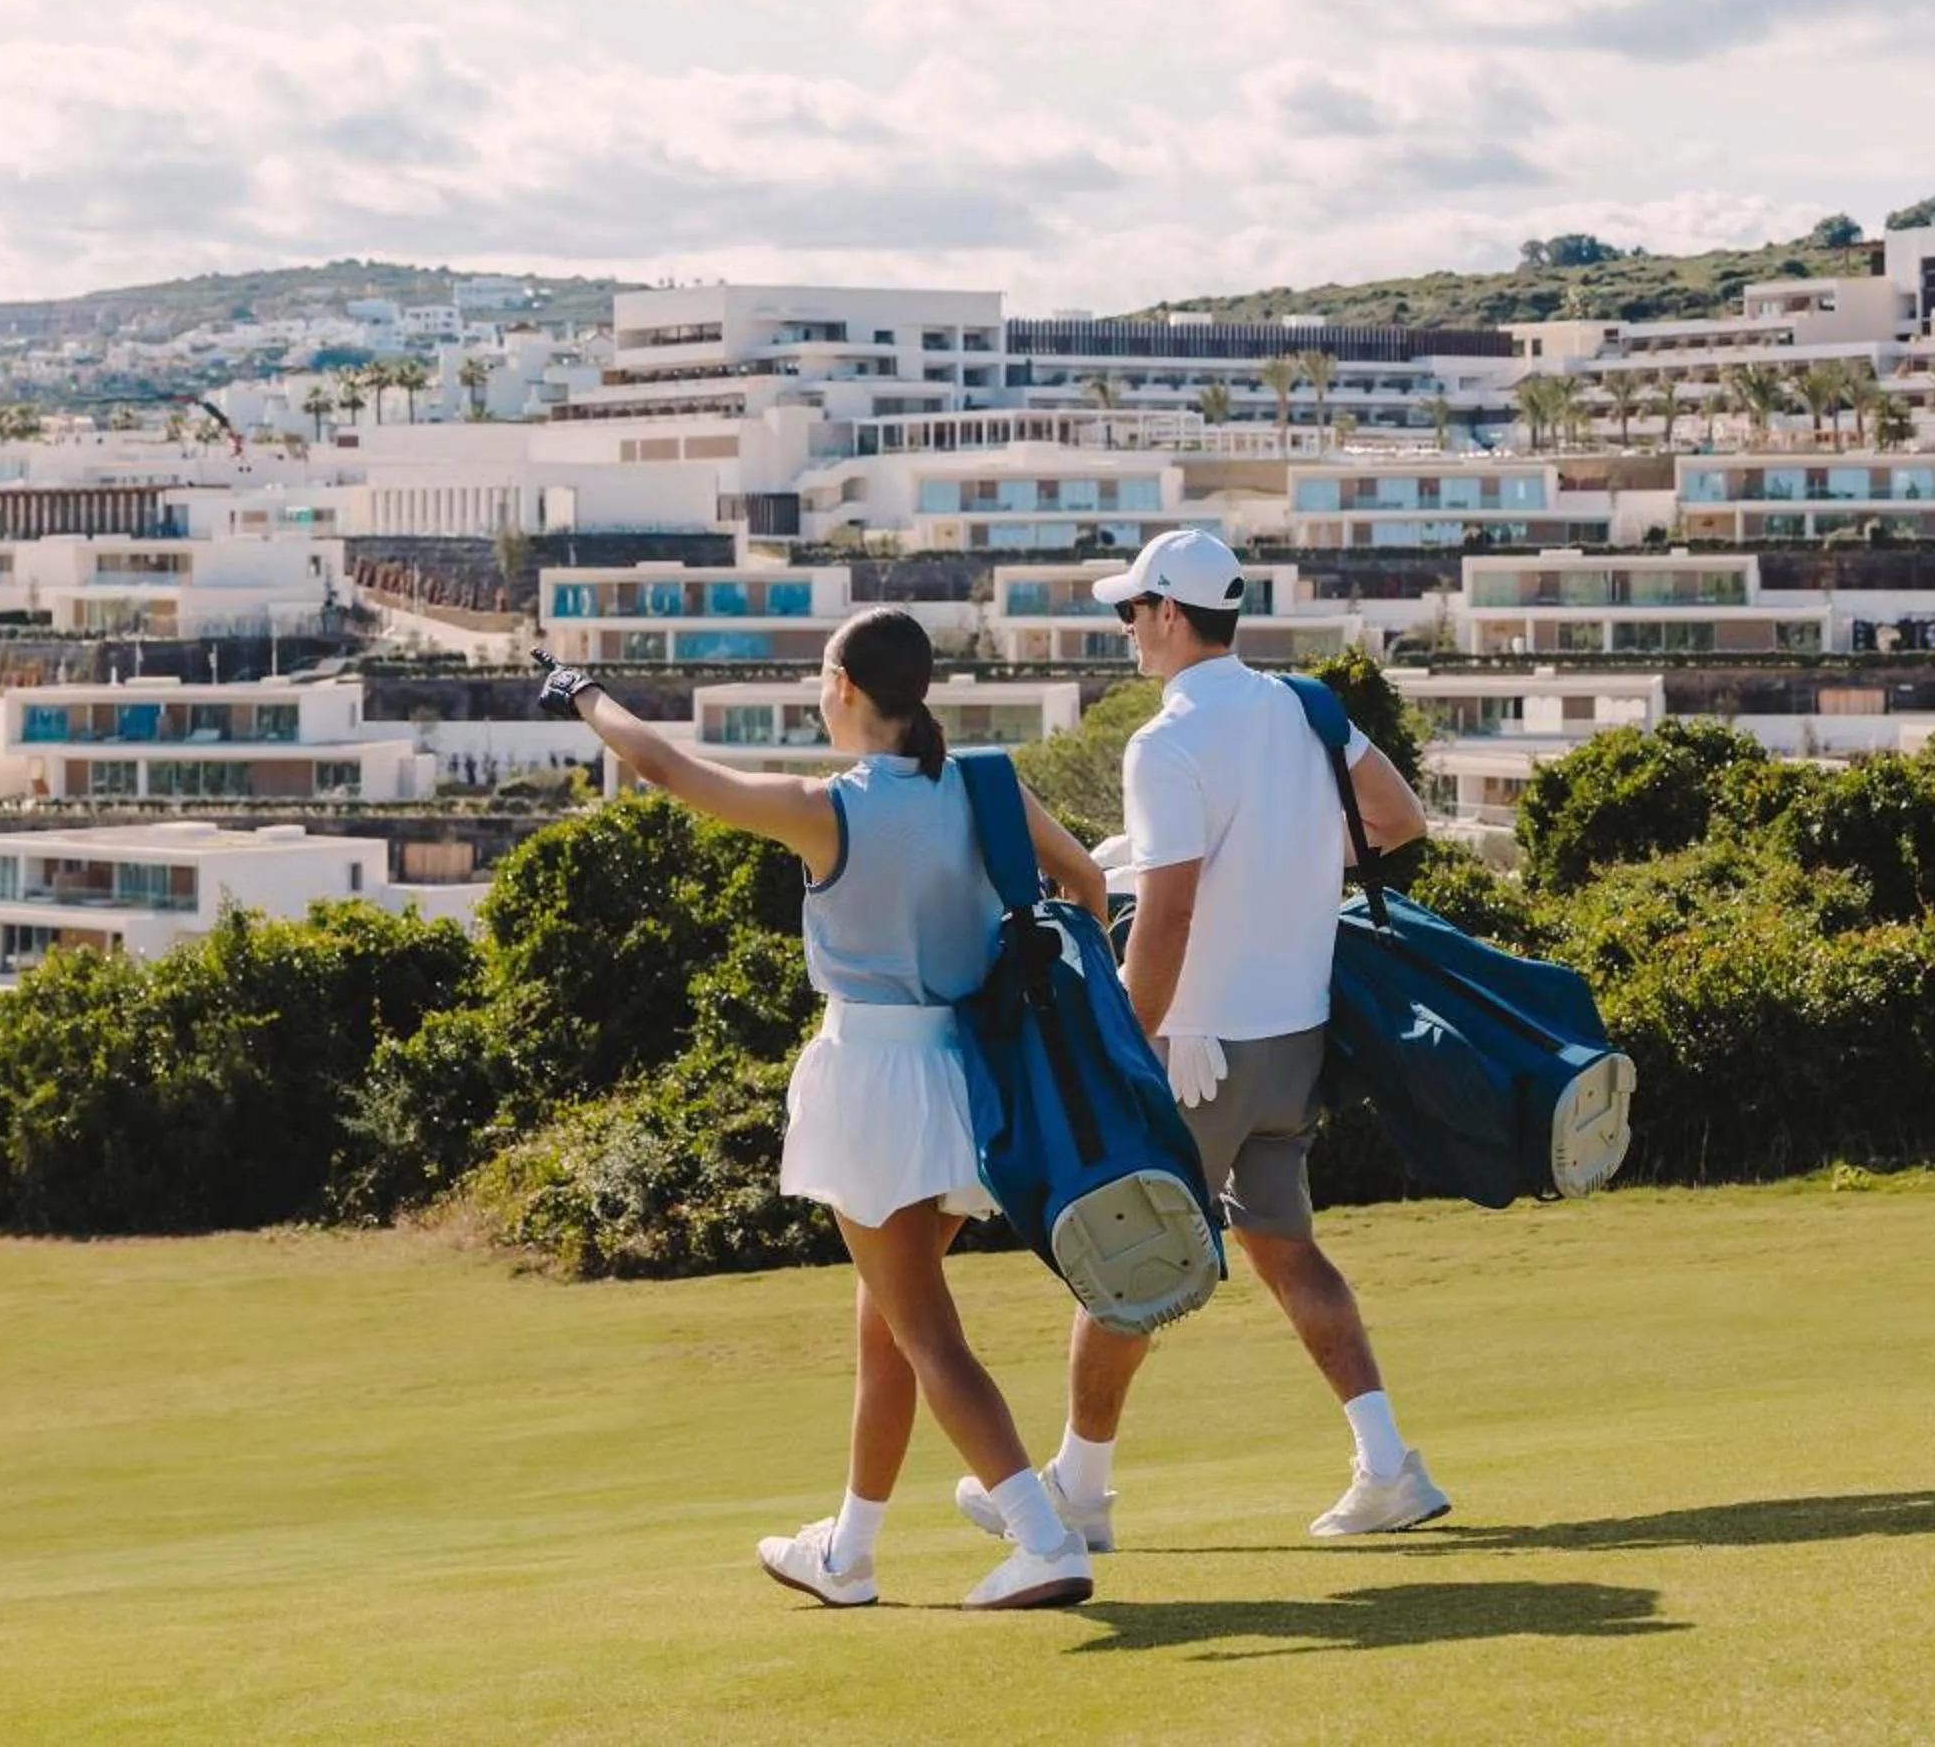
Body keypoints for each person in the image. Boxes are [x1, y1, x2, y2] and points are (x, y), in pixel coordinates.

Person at [538, 608, 1111, 1612]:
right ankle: (849, 1551)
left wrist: (585, 695)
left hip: (875, 1080)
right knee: (886, 1326)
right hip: (968, 1076)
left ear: (845, 686)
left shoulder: (831, 808)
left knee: (923, 1328)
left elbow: (673, 774)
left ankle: (1042, 1534)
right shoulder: (985, 783)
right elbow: (1090, 885)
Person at [955, 528, 1445, 1553]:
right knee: (1282, 1245)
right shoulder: (1303, 708)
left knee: (1122, 1252)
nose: (1126, 629)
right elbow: (1397, 819)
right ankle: (1390, 1466)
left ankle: (1081, 1495)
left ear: (1170, 615)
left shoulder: (1165, 742)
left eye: (1132, 611)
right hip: (1295, 1038)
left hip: (1199, 1050)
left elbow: (1166, 919)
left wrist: (1123, 1054)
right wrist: (1286, 875)